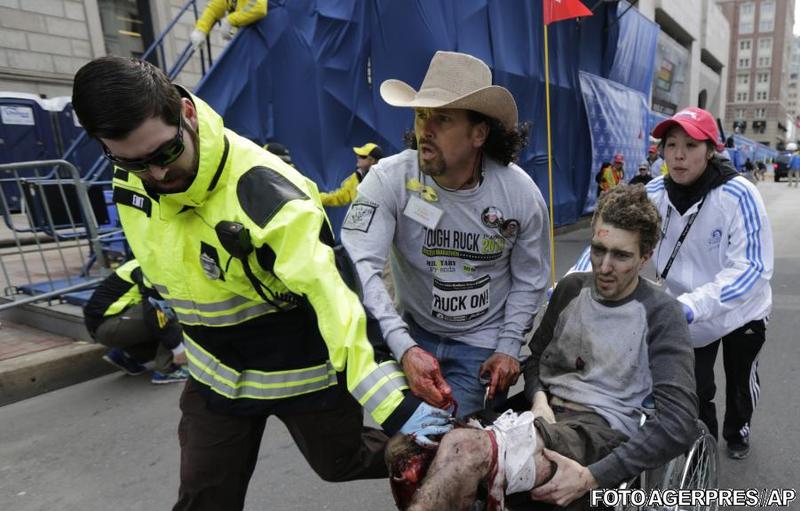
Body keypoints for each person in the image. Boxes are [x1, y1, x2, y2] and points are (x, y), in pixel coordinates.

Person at [72, 56, 451, 511]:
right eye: (131, 162)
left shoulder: (264, 191)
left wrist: (397, 407)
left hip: (300, 370)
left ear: (187, 115)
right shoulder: (131, 179)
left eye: (164, 154)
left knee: (340, 462)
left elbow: (334, 297)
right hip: (217, 375)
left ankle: (442, 455)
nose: (155, 176)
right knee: (203, 497)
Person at [390, 185, 699, 511]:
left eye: (621, 255)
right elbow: (536, 359)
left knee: (464, 451)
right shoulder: (571, 290)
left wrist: (592, 477)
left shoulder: (661, 313)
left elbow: (677, 422)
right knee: (405, 451)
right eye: (598, 249)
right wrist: (539, 400)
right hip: (538, 413)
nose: (604, 266)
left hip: (597, 431)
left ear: (645, 256)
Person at [340, 51, 551, 419]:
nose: (426, 129)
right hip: (410, 331)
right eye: (421, 115)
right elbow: (359, 266)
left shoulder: (520, 195)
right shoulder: (388, 180)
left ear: (479, 134)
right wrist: (404, 347)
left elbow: (530, 279)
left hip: (481, 344)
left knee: (454, 454)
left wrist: (506, 347)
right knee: (410, 452)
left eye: (442, 118)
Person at [574, 107, 773, 460]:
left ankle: (738, 429)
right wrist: (568, 285)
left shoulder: (739, 195)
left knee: (740, 381)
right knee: (694, 389)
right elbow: (610, 237)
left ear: (711, 149)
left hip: (741, 310)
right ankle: (702, 455)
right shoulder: (651, 192)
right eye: (670, 144)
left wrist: (694, 305)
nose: (678, 155)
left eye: (691, 145)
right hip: (685, 313)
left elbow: (753, 268)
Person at [84, 259, 189, 384]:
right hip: (110, 326)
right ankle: (166, 371)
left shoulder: (144, 261)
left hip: (104, 327)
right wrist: (178, 350)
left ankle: (128, 356)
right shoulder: (150, 269)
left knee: (160, 319)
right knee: (173, 310)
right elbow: (156, 311)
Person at [320, 143, 384, 207]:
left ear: (372, 160)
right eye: (358, 155)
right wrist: (317, 197)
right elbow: (339, 196)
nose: (358, 157)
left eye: (362, 156)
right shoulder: (355, 177)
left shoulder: (384, 180)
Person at [189, 0, 267, 48]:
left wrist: (230, 20)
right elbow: (213, 9)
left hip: (262, 37)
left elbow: (258, 6)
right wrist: (200, 30)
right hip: (245, 39)